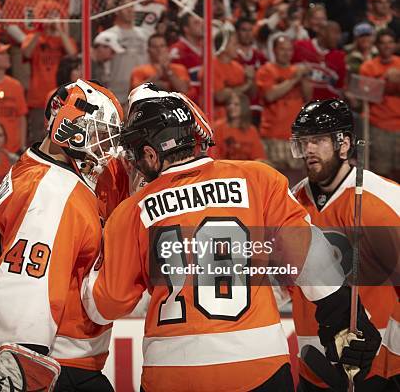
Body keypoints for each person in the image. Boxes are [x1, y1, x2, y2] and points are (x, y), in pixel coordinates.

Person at [82, 83, 382, 392]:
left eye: (136, 154)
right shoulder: (258, 178)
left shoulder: (132, 210)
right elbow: (309, 254)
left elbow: (105, 305)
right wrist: (342, 312)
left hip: (171, 372)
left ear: (150, 152)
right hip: (258, 364)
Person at [0, 79, 123, 392]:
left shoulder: (36, 166)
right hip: (36, 359)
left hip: (29, 352)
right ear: (69, 128)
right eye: (100, 133)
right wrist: (22, 367)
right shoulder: (53, 191)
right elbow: (24, 291)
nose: (106, 146)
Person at [288, 99, 399, 391]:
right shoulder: (289, 205)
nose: (309, 149)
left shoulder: (387, 199)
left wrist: (395, 355)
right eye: (304, 141)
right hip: (313, 369)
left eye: (319, 139)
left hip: (378, 369)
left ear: (345, 144)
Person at [22, 0, 77, 145]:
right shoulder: (33, 37)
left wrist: (60, 30)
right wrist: (40, 30)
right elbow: (27, 53)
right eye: (49, 16)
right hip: (38, 97)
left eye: (56, 15)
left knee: (59, 137)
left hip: (61, 96)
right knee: (38, 137)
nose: (53, 19)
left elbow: (72, 54)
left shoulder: (64, 39)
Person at [256, 35, 312, 170]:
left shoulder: (296, 71)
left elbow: (308, 96)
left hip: (295, 136)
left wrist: (304, 77)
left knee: (296, 180)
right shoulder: (266, 70)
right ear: (274, 50)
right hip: (273, 136)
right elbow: (270, 95)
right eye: (282, 49)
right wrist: (293, 80)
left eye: (289, 50)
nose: (286, 53)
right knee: (273, 178)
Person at [359, 28, 400, 180]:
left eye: (390, 43)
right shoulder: (368, 67)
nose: (387, 46)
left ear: (395, 45)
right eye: (383, 43)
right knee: (381, 172)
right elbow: (366, 96)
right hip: (379, 125)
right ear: (377, 46)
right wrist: (384, 78)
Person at [97, 0, 148, 104]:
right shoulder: (106, 36)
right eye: (126, 7)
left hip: (142, 88)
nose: (130, 10)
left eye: (132, 7)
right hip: (117, 91)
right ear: (117, 10)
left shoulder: (144, 34)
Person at [292, 20, 346, 100]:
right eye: (335, 33)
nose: (338, 37)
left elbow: (339, 87)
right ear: (322, 32)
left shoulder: (340, 57)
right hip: (297, 102)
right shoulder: (300, 46)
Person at [213, 92, 266, 161]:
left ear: (244, 107)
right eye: (229, 104)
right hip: (225, 168)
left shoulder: (252, 130)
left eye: (236, 104)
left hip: (246, 169)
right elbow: (215, 156)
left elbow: (258, 157)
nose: (231, 107)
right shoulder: (218, 127)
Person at [170, 13, 204, 103]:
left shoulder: (206, 48)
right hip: (188, 103)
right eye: (196, 23)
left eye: (201, 22)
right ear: (186, 29)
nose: (201, 26)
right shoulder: (177, 51)